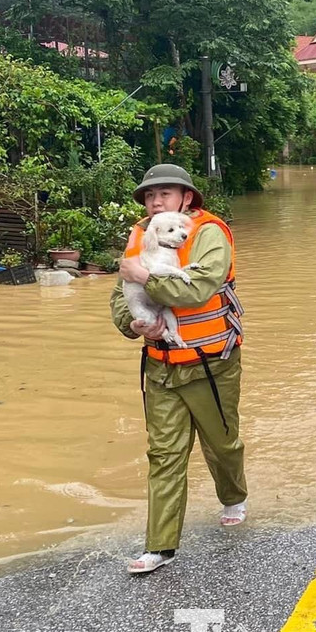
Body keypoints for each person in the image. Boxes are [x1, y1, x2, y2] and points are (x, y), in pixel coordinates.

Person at [109, 164, 248, 574]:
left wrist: (145, 277)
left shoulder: (208, 234)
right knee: (164, 454)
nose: (155, 202)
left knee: (221, 442)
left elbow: (198, 288)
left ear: (186, 198)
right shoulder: (141, 236)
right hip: (161, 366)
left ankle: (234, 496)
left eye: (165, 194)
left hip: (211, 363)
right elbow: (121, 294)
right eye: (150, 196)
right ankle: (160, 546)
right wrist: (131, 324)